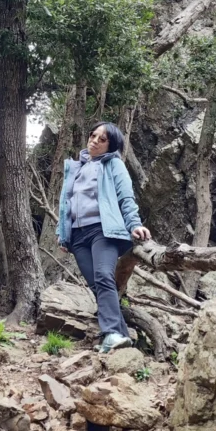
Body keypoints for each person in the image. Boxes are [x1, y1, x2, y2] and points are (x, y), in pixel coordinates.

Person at [56, 122, 151, 354]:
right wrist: (63, 234)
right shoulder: (75, 167)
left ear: (111, 145)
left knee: (103, 276)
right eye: (93, 135)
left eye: (102, 139)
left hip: (103, 230)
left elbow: (125, 197)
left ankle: (109, 334)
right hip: (78, 236)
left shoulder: (114, 165)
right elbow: (65, 203)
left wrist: (134, 224)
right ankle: (122, 337)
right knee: (96, 284)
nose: (95, 140)